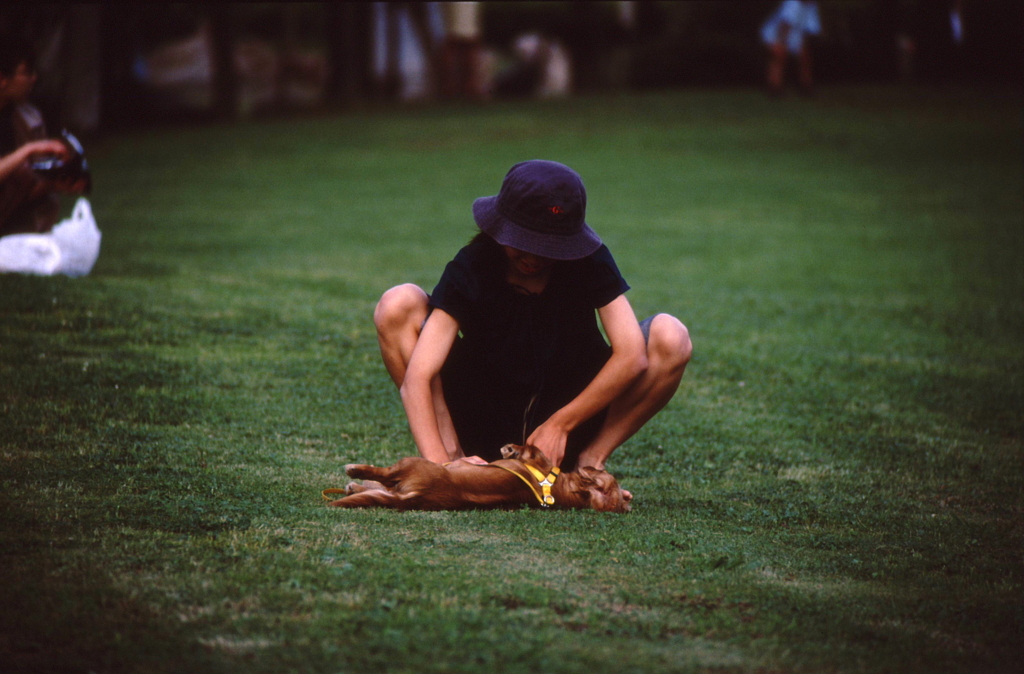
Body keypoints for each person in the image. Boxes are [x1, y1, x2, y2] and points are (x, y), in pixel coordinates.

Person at [374, 160, 692, 477]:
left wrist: (560, 425)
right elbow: (418, 377)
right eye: (522, 243)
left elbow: (632, 354)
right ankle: (452, 460)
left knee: (671, 336)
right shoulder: (472, 265)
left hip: (567, 427)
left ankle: (589, 463)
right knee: (397, 304)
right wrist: (441, 466)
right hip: (481, 418)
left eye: (549, 247)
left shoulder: (590, 262)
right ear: (499, 227)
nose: (532, 257)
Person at [0, 34, 77, 237]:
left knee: (30, 173)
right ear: (2, 79)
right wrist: (29, 150)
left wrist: (54, 179)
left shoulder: (29, 118)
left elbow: (28, 183)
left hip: (11, 218)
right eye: (26, 72)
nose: (33, 78)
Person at [761, 0, 822, 96]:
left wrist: (803, 46)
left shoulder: (812, 7)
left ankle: (806, 87)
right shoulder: (792, 4)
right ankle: (774, 87)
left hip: (795, 36)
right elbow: (784, 25)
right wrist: (782, 44)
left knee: (806, 58)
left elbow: (810, 29)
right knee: (779, 56)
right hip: (774, 34)